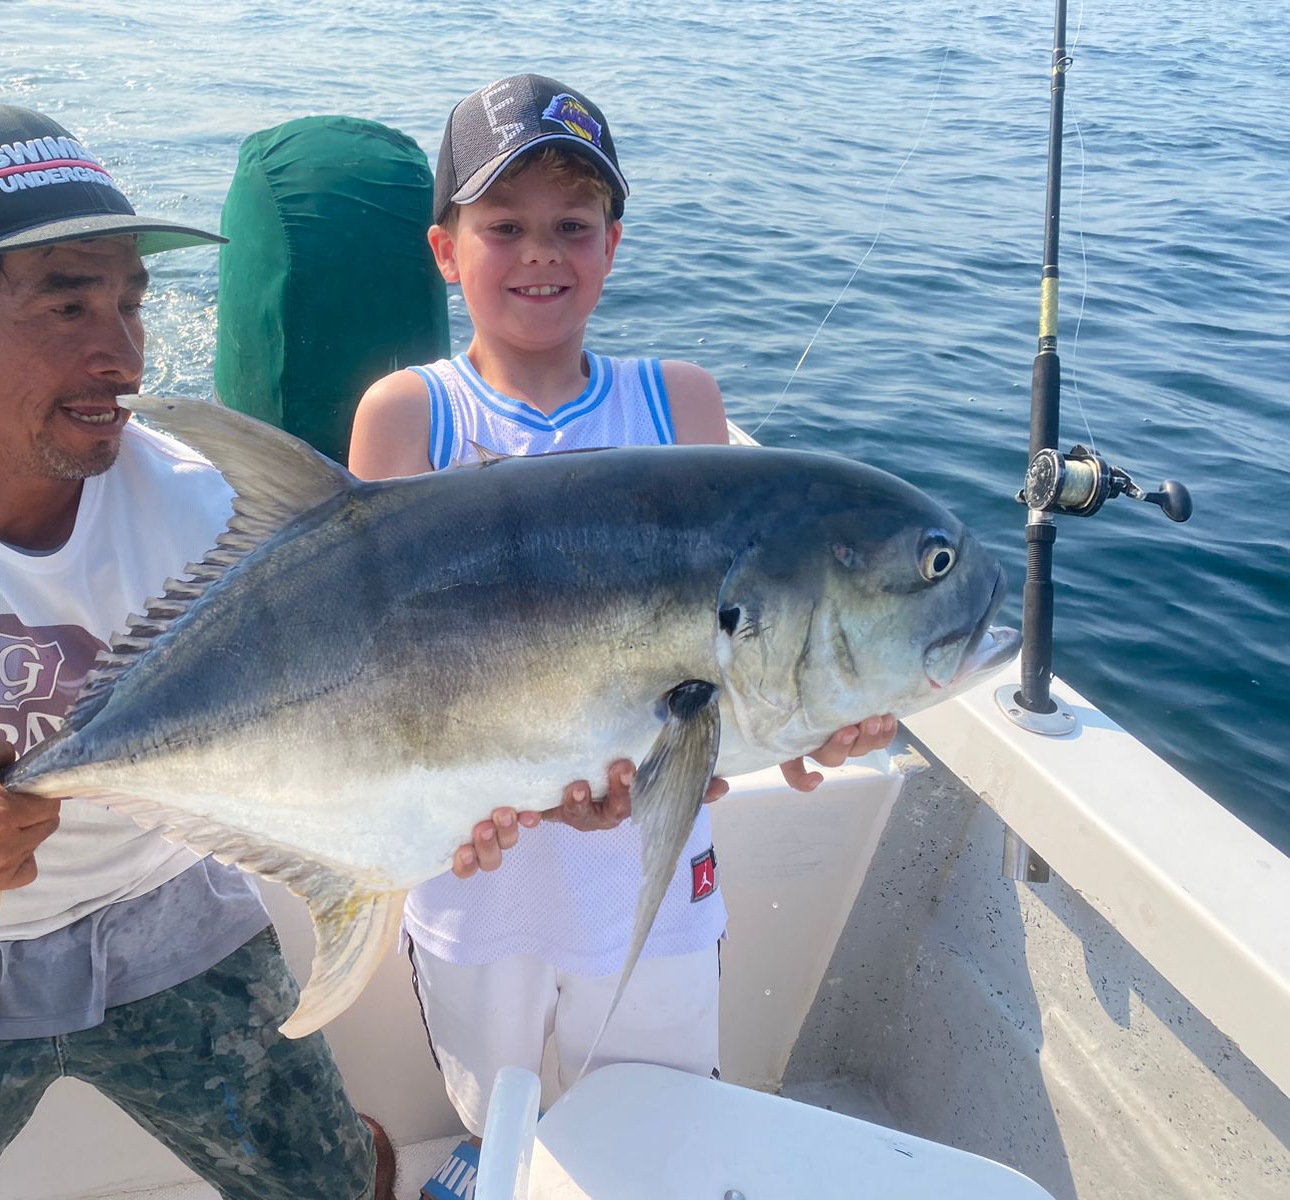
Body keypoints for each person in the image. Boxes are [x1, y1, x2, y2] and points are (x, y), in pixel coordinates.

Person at [0, 101, 537, 1200]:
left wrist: (494, 786)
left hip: (166, 914)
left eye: (133, 301)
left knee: (329, 1185)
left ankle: (358, 1148)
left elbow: (381, 707)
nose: (124, 354)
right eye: (68, 303)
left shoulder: (203, 511)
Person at [348, 74, 897, 1198]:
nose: (539, 254)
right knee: (488, 1094)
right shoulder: (409, 413)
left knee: (655, 1110)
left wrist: (818, 721)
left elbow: (745, 640)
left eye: (572, 226)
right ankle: (491, 1163)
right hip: (472, 863)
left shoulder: (680, 403)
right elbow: (364, 665)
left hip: (653, 870)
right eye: (503, 227)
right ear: (444, 250)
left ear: (612, 244)